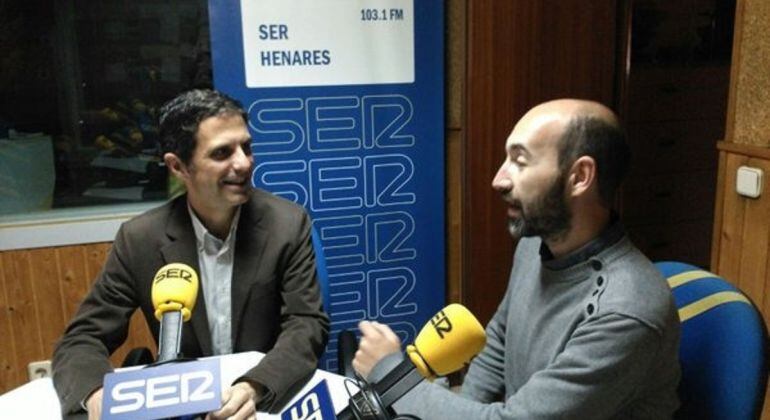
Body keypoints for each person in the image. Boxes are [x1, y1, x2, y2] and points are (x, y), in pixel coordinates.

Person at [353, 99, 681, 419]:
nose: (499, 179)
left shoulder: (627, 310)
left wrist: (390, 375)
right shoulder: (535, 246)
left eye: (520, 161)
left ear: (580, 177)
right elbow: (499, 338)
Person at [52, 89, 330, 419]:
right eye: (222, 153)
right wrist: (95, 395)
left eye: (247, 147)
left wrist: (253, 386)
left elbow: (306, 324)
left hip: (260, 401)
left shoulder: (287, 224)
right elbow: (82, 338)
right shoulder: (140, 239)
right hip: (185, 405)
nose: (243, 163)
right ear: (178, 166)